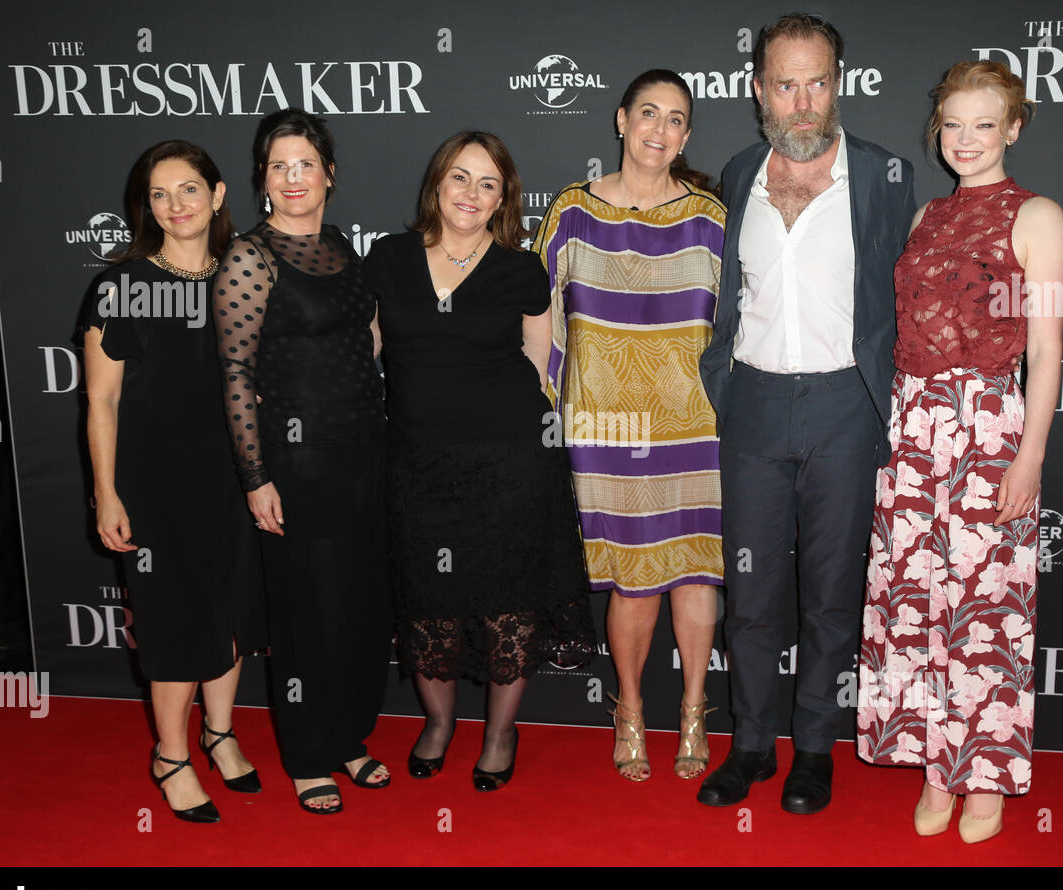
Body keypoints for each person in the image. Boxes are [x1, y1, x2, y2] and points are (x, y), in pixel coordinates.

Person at [697, 14, 916, 814]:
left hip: (842, 409)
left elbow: (910, 299)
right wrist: (722, 385)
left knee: (828, 592)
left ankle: (815, 748)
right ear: (758, 89)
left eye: (817, 81)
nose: (802, 101)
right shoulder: (738, 172)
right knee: (750, 595)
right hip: (751, 404)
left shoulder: (886, 177)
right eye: (785, 83)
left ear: (839, 83)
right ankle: (751, 744)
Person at [856, 60, 1063, 843]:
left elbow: (1044, 350)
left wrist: (1029, 456)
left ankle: (987, 778)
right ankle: (934, 762)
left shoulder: (1035, 216)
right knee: (917, 607)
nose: (966, 139)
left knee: (986, 610)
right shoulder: (924, 220)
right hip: (912, 430)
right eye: (953, 124)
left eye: (984, 124)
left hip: (987, 427)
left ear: (1013, 127)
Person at [363, 130, 596, 792]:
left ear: (503, 199)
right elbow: (366, 354)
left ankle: (498, 733)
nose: (471, 192)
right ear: (437, 183)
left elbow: (540, 364)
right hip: (417, 463)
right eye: (460, 177)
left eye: (488, 183)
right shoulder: (388, 259)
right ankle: (438, 724)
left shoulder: (520, 270)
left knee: (506, 605)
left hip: (510, 465)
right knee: (427, 604)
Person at [533, 70, 726, 782]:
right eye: (649, 113)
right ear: (620, 119)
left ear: (687, 135)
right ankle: (632, 709)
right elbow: (541, 318)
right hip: (605, 429)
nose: (661, 129)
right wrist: (546, 408)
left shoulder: (711, 216)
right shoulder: (572, 210)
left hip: (690, 424)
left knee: (697, 572)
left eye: (677, 119)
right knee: (634, 582)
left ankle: (695, 711)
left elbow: (737, 325)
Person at [82, 140, 267, 823]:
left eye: (188, 189)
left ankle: (220, 734)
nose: (175, 205)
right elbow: (99, 400)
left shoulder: (245, 276)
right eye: (160, 194)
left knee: (230, 613)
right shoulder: (121, 285)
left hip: (236, 478)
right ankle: (171, 754)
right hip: (155, 485)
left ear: (218, 195)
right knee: (172, 621)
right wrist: (106, 492)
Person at [214, 108, 391, 814]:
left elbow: (368, 336)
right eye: (279, 166)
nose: (294, 178)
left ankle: (349, 736)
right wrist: (257, 476)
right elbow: (233, 370)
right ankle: (308, 754)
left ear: (330, 176)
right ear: (262, 180)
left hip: (363, 453)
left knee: (358, 607)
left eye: (306, 164)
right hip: (296, 459)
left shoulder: (343, 247)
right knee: (306, 614)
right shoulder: (249, 258)